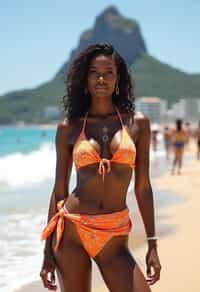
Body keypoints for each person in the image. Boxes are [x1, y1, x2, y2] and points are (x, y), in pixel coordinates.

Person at [39, 43, 161, 292]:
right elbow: (59, 191)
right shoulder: (69, 128)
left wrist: (152, 243)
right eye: (94, 72)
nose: (101, 78)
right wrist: (47, 252)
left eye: (109, 72)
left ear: (118, 79)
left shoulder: (138, 124)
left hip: (114, 235)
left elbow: (143, 187)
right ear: (85, 79)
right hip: (71, 232)